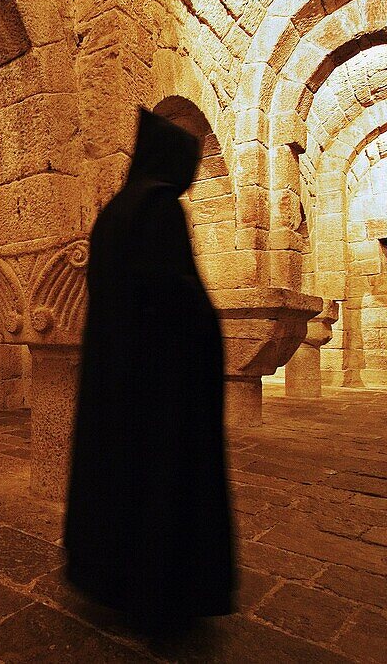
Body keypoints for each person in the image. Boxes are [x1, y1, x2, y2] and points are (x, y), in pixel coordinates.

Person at [63, 107, 235, 636]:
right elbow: (174, 295)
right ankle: (161, 587)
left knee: (116, 470)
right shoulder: (160, 208)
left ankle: (108, 575)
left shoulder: (115, 211)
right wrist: (208, 334)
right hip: (158, 383)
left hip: (115, 376)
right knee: (160, 478)